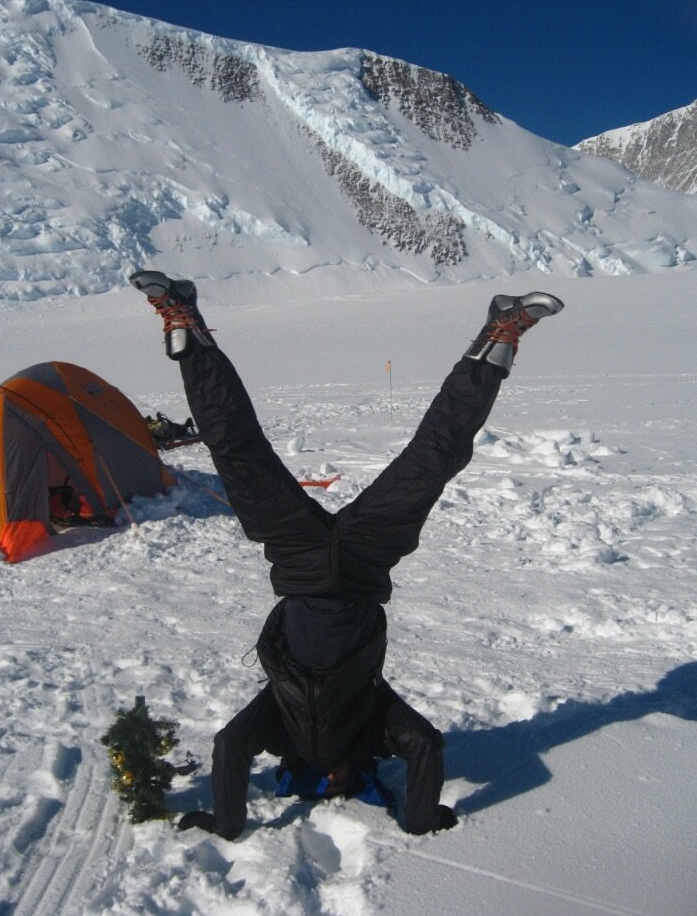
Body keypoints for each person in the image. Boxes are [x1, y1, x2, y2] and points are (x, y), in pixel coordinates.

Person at [130, 270, 564, 839]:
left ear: (307, 778)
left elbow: (229, 747)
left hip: (296, 559)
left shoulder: (279, 729)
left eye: (325, 786)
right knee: (435, 458)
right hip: (363, 562)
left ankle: (185, 323)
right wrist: (418, 818)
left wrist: (227, 824)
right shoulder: (374, 730)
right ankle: (499, 335)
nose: (333, 782)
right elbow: (427, 746)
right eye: (344, 786)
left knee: (236, 449)